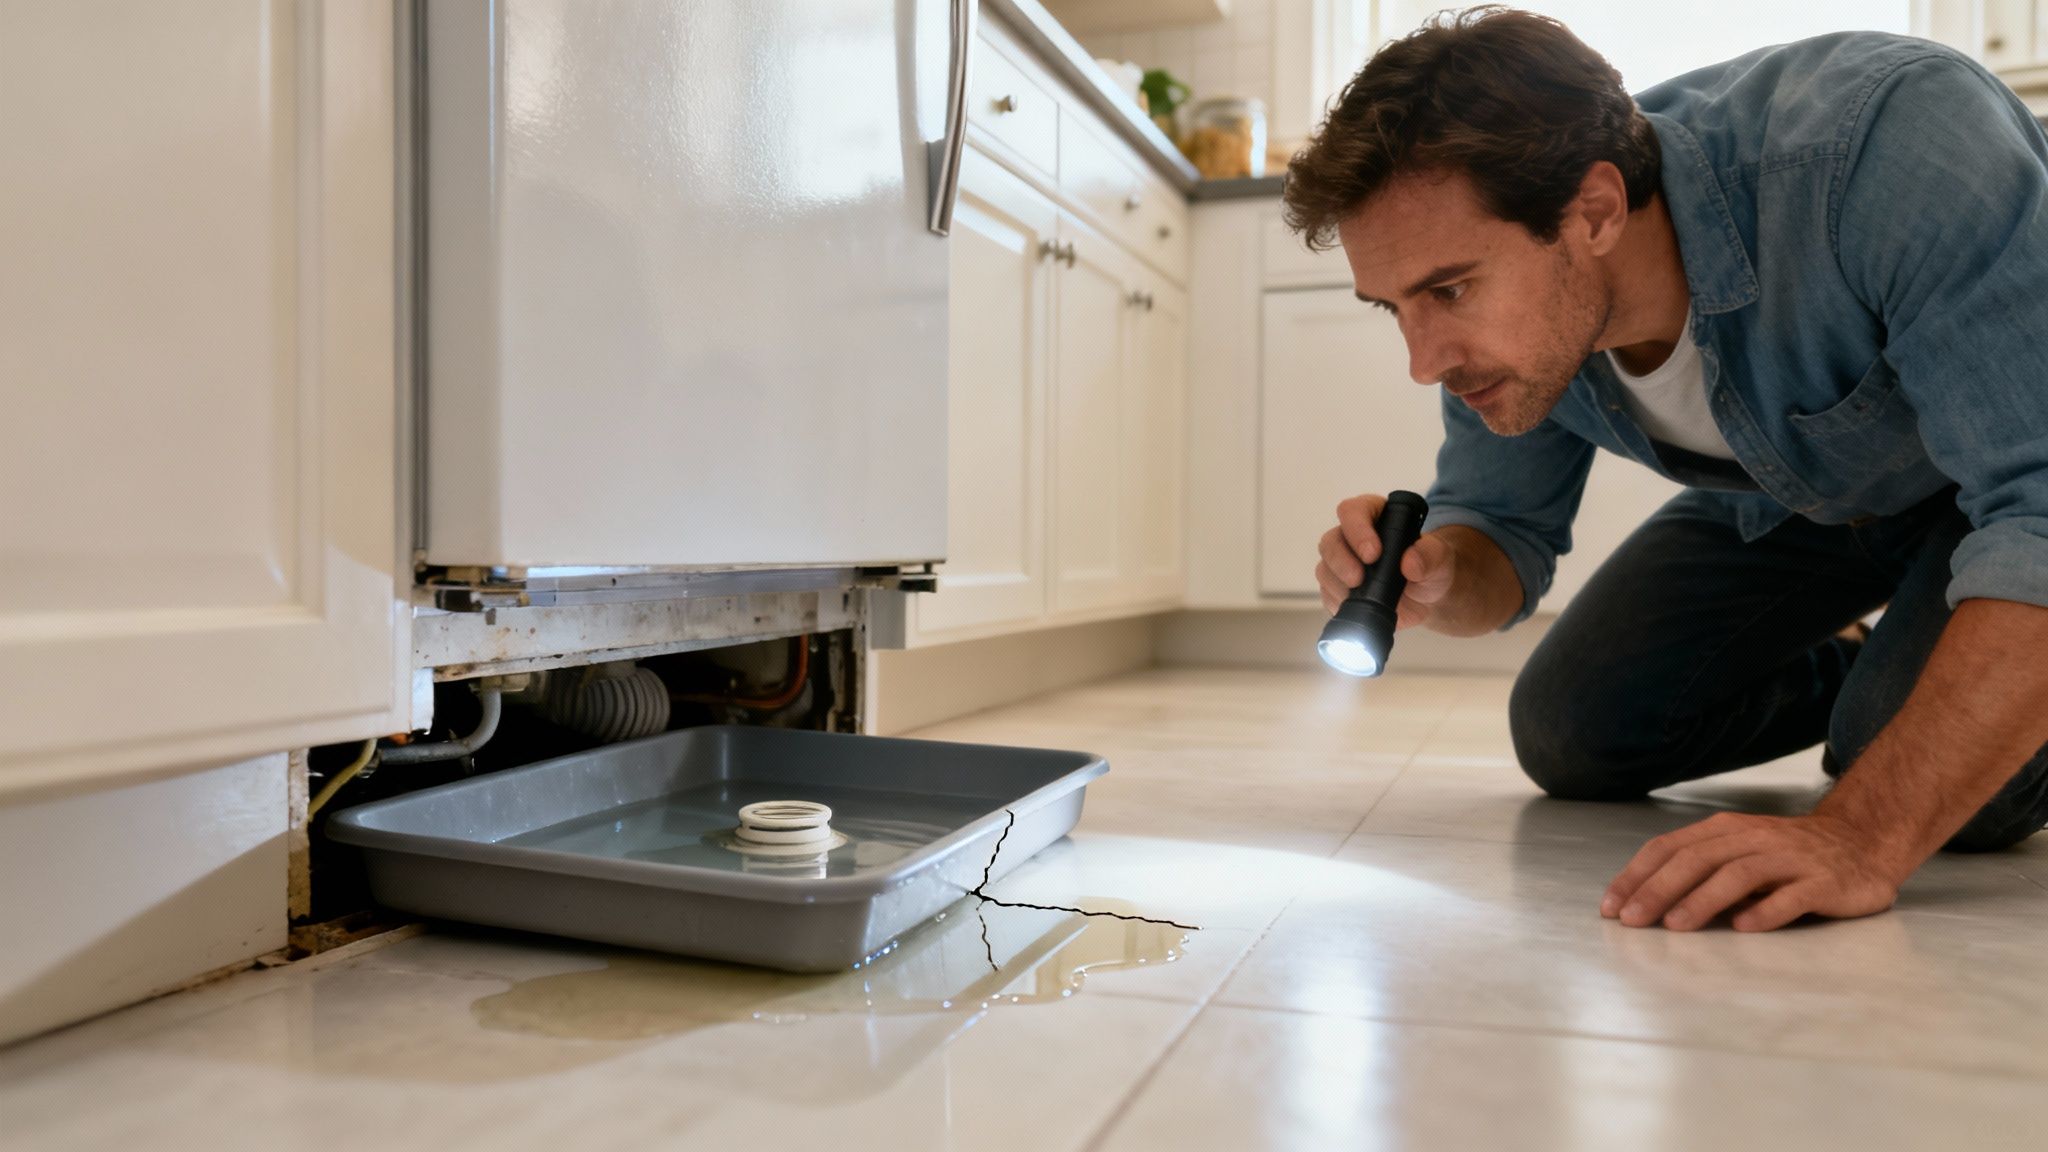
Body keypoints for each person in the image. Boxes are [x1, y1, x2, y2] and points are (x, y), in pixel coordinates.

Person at [1290, 6, 2048, 932]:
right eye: (1393, 307)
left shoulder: (1887, 143)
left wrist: (1857, 835)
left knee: (1951, 800)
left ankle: (1924, 685)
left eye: (1449, 290)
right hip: (1820, 492)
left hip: (2009, 478)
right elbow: (1499, 536)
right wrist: (1435, 576)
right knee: (1571, 729)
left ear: (1597, 211)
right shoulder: (1507, 335)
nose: (1425, 360)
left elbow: (2039, 511)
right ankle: (1881, 663)